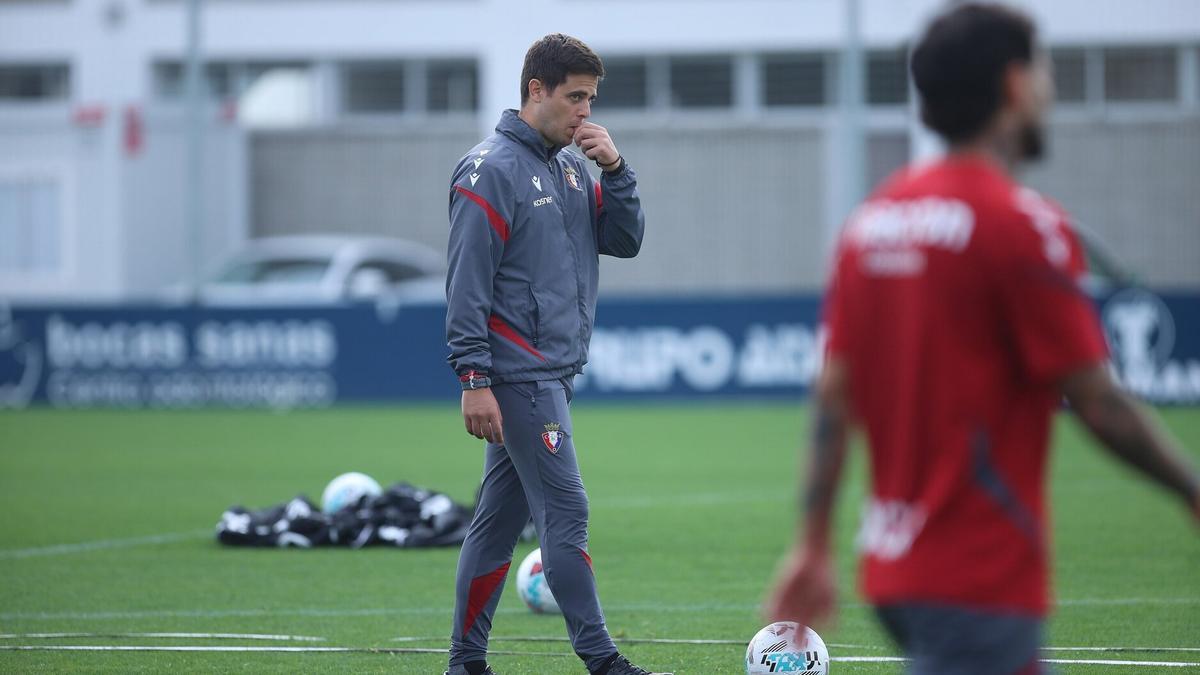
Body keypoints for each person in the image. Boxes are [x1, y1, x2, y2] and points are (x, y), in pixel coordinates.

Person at [766, 4, 1200, 674]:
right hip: (978, 570)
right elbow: (1097, 400)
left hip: (893, 566)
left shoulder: (871, 224)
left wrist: (813, 540)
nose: (1050, 90)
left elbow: (833, 390)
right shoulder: (1023, 227)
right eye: (1046, 70)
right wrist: (1190, 488)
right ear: (1015, 86)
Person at [443, 33, 669, 675]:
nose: (585, 112)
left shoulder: (572, 166)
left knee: (494, 523)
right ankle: (603, 662)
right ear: (534, 91)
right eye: (575, 97)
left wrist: (617, 174)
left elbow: (623, 241)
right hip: (518, 377)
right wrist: (474, 377)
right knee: (567, 510)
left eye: (591, 99)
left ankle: (465, 663)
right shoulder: (489, 169)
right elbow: (466, 284)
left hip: (551, 375)